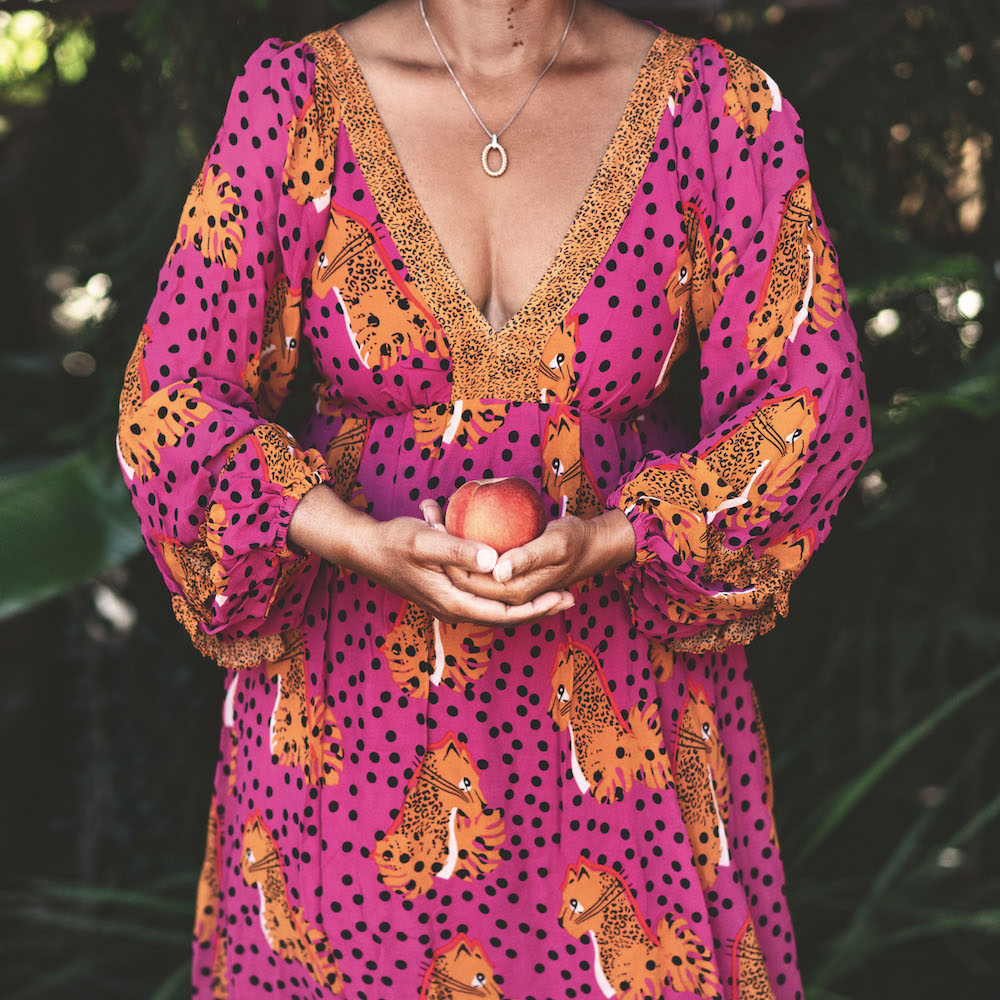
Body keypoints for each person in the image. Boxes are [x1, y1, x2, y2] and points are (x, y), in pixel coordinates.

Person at [114, 0, 873, 997]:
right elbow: (166, 403)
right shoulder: (296, 99)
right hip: (349, 728)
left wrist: (621, 533)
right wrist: (350, 537)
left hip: (620, 733)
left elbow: (811, 404)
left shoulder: (718, 110)